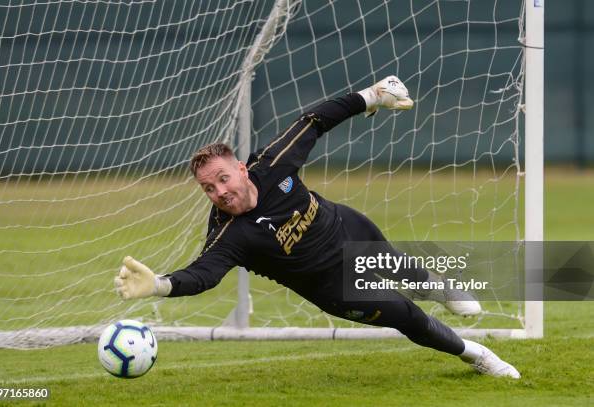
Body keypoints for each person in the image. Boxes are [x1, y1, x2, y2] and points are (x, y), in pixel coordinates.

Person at [114, 76, 520, 379]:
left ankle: (440, 288)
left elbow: (313, 121)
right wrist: (160, 285)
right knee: (407, 316)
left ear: (240, 169)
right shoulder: (229, 234)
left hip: (345, 227)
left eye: (223, 178)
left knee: (402, 268)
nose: (219, 191)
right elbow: (204, 274)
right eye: (208, 188)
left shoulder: (271, 163)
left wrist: (371, 97)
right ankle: (475, 354)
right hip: (332, 286)